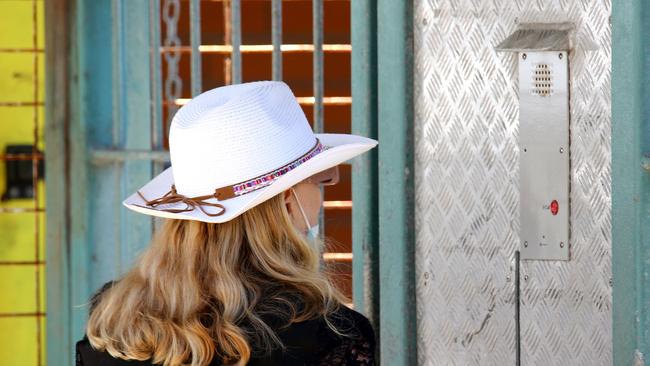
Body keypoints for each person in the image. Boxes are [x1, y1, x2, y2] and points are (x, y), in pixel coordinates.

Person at [74, 80, 379, 366]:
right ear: (287, 200)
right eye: (319, 179)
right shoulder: (330, 336)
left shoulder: (116, 318)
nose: (324, 192)